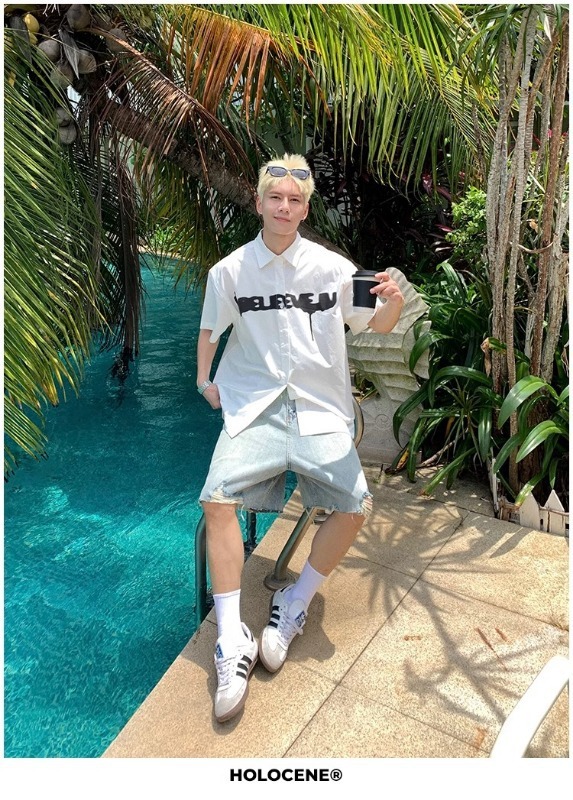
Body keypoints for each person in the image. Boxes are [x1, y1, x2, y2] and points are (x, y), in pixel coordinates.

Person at [196, 154, 404, 722]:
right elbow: (211, 327)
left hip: (318, 410)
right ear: (259, 203)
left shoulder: (335, 269)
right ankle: (232, 638)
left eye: (294, 201)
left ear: (305, 209)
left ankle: (294, 601)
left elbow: (376, 325)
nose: (284, 208)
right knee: (216, 499)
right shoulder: (229, 272)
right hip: (256, 408)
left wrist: (393, 303)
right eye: (275, 198)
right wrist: (204, 380)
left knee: (356, 504)